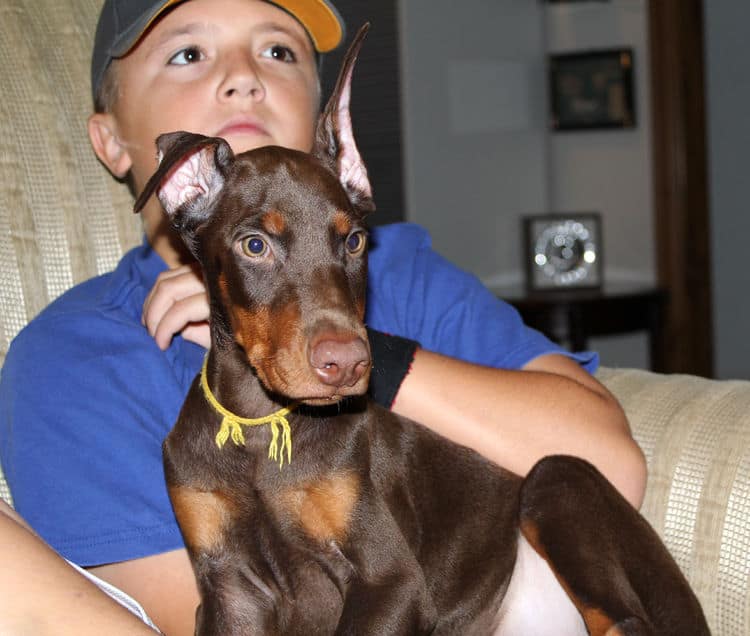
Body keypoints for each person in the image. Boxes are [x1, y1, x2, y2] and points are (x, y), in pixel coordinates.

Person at [0, 0, 646, 633]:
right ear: (112, 142)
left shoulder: (400, 273)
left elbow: (608, 469)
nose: (244, 77)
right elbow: (214, 611)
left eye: (278, 50)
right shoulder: (74, 356)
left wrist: (373, 356)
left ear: (322, 130)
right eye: (189, 53)